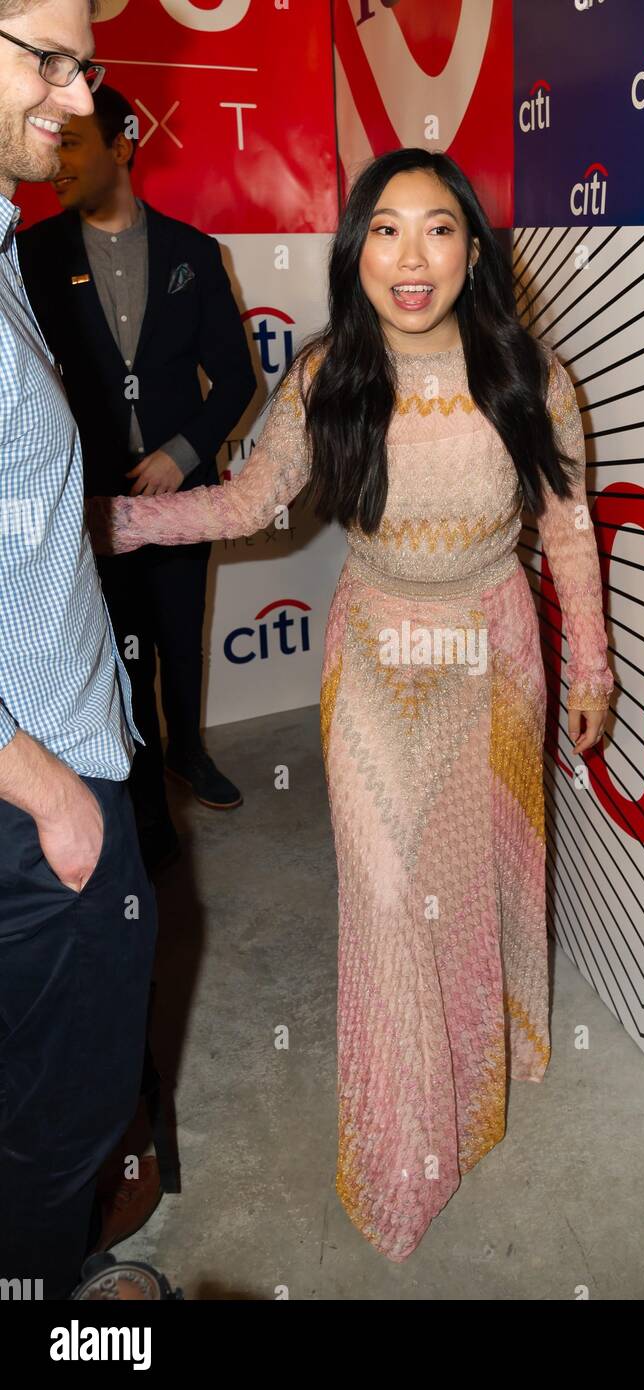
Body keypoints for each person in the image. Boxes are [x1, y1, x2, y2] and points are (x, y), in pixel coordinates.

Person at [90, 146, 614, 1261]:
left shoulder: (529, 375)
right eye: (383, 228)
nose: (409, 255)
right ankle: (401, 1141)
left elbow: (565, 526)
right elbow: (248, 499)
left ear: (473, 250)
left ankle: (487, 1057)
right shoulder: (327, 373)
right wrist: (119, 523)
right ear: (355, 249)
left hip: (492, 650)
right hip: (377, 647)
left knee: (476, 875)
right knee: (384, 889)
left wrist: (594, 669)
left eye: (436, 228)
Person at [0, 0, 156, 1298]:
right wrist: (47, 790)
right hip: (32, 804)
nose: (76, 92)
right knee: (58, 1135)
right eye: (44, 55)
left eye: (86, 63)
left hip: (52, 768)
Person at [17, 83, 257, 873]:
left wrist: (180, 455)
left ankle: (190, 751)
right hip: (83, 507)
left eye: (75, 140)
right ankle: (149, 806)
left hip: (181, 500)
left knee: (179, 644)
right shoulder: (30, 256)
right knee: (121, 661)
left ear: (123, 145)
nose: (57, 158)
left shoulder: (195, 252)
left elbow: (232, 379)